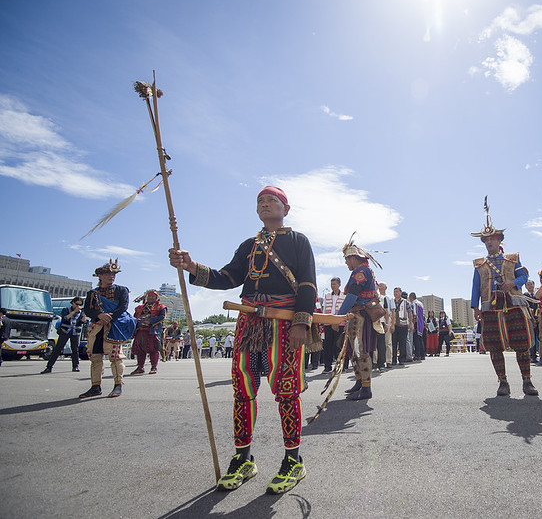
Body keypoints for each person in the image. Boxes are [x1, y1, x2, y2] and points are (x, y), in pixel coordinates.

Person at [169, 185, 316, 494]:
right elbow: (228, 277)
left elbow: (307, 283)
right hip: (248, 321)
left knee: (286, 389)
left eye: (271, 200)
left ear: (285, 209)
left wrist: (302, 322)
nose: (265, 204)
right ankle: (243, 459)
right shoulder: (248, 245)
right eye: (260, 201)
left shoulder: (299, 241)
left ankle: (294, 461)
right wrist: (192, 266)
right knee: (242, 388)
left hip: (285, 322)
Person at [470, 202, 537, 396]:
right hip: (490, 307)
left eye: (492, 239)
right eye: (486, 241)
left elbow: (524, 277)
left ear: (499, 241)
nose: (489, 243)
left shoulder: (512, 258)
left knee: (521, 343)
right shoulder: (479, 264)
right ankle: (503, 381)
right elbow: (475, 287)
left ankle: (527, 381)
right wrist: (475, 308)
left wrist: (513, 283)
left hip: (513, 304)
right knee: (494, 345)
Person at [79, 259, 136, 398]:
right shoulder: (92, 293)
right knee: (95, 357)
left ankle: (118, 385)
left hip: (115, 324)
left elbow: (123, 306)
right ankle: (95, 386)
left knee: (116, 357)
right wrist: (99, 315)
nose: (111, 277)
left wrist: (109, 317)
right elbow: (87, 309)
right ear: (100, 276)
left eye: (113, 275)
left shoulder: (121, 290)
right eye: (108, 274)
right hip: (98, 326)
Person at [336, 235, 382, 401]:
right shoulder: (363, 271)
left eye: (347, 259)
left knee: (360, 351)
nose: (346, 263)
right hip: (356, 316)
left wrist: (338, 317)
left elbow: (351, 296)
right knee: (354, 352)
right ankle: (359, 382)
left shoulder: (361, 271)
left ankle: (366, 388)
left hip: (360, 316)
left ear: (353, 258)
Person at [42, 296, 86, 373]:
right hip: (65, 331)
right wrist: (73, 312)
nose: (78, 306)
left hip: (75, 332)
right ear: (73, 303)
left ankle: (75, 366)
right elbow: (65, 318)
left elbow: (82, 322)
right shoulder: (66, 309)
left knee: (75, 350)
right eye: (77, 304)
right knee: (58, 349)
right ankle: (49, 367)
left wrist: (84, 314)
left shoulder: (80, 312)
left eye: (80, 304)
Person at [131, 290, 166, 375]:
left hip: (152, 331)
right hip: (140, 330)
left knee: (153, 349)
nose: (150, 298)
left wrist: (150, 322)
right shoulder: (140, 308)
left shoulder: (161, 307)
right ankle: (140, 367)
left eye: (152, 296)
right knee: (140, 349)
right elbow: (134, 318)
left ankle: (154, 367)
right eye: (149, 296)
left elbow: (162, 317)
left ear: (156, 298)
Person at [377, 282, 394, 368]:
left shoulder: (389, 298)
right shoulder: (376, 297)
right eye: (379, 286)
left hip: (387, 318)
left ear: (386, 287)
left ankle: (388, 361)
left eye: (382, 286)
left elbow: (392, 311)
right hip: (377, 320)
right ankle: (376, 361)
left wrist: (391, 324)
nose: (380, 287)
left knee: (388, 341)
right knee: (377, 342)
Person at [393, 288, 412, 364]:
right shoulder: (391, 301)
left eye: (397, 291)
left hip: (403, 324)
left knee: (402, 343)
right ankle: (393, 359)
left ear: (400, 293)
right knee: (393, 343)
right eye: (394, 292)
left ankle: (402, 359)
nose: (395, 293)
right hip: (394, 324)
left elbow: (410, 312)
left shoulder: (405, 302)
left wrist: (410, 323)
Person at [409, 292, 425, 361]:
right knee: (420, 339)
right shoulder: (420, 303)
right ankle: (422, 355)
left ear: (411, 297)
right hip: (421, 323)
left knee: (416, 340)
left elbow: (414, 315)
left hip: (416, 323)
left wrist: (413, 324)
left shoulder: (413, 304)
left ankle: (417, 355)